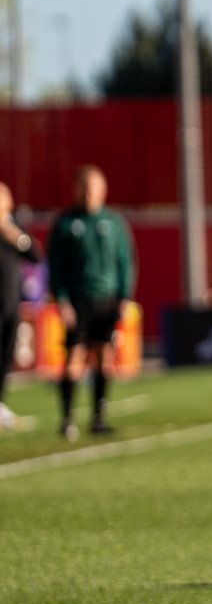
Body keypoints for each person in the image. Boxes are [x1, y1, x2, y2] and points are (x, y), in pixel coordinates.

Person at [46, 165, 136, 440]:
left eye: (94, 187)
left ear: (103, 190)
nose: (89, 193)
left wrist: (125, 296)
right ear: (76, 189)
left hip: (107, 299)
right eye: (84, 187)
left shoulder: (115, 223)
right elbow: (56, 266)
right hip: (78, 299)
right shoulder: (65, 224)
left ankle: (98, 417)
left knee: (103, 357)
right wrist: (61, 299)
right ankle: (68, 418)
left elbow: (126, 262)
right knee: (73, 356)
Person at [1, 182, 44, 430]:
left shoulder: (13, 228)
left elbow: (36, 255)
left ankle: (0, 403)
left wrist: (16, 238)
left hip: (9, 303)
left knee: (6, 356)